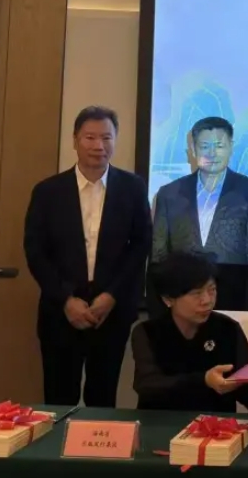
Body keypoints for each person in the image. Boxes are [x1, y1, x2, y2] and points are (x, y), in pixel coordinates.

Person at [23, 106, 152, 407]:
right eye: (90, 137)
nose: (98, 145)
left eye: (106, 137)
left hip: (111, 312)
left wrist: (112, 296)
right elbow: (35, 251)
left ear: (115, 140)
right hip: (61, 312)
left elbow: (141, 245)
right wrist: (66, 299)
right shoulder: (48, 191)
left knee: (102, 399)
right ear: (75, 140)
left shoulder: (132, 188)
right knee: (58, 399)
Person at [152, 116, 248, 313]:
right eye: (205, 146)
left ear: (231, 147)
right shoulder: (169, 193)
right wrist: (158, 312)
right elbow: (158, 257)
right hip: (181, 303)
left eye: (219, 146)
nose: (212, 153)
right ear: (193, 150)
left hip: (234, 303)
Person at [131, 251, 248, 412]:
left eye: (212, 290)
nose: (207, 301)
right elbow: (147, 386)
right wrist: (204, 380)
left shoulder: (228, 329)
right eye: (196, 293)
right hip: (162, 421)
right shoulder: (147, 332)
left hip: (215, 424)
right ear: (168, 299)